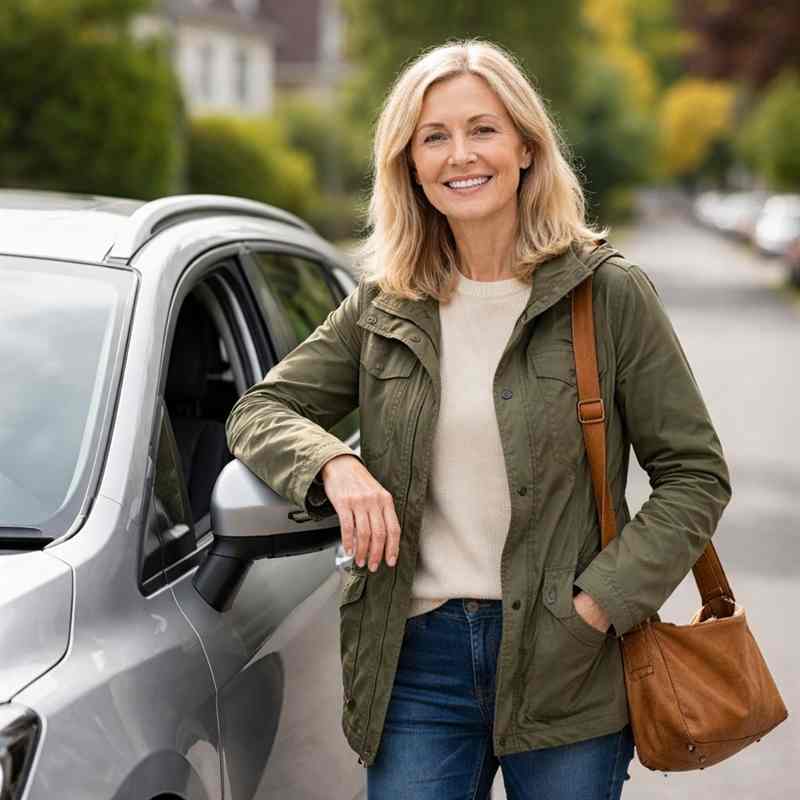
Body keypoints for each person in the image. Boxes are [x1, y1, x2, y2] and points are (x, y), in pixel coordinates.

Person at [225, 39, 731, 800]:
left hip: (569, 662)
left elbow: (695, 476)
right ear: (412, 165)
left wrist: (597, 605)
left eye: (483, 129)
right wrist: (336, 466)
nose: (460, 154)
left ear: (526, 146)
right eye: (435, 137)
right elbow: (261, 409)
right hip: (414, 665)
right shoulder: (385, 304)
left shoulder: (608, 295)